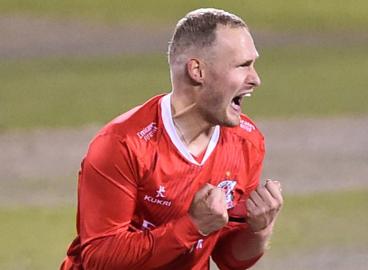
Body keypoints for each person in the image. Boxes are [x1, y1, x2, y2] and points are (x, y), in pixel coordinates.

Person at [60, 7, 283, 270]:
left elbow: (228, 258)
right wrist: (193, 226)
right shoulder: (123, 144)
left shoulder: (246, 141)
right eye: (243, 65)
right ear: (197, 71)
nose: (255, 79)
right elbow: (100, 260)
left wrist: (258, 230)